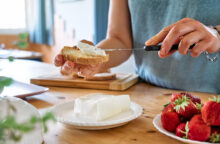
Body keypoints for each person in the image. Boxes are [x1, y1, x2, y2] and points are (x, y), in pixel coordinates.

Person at [54, 0, 220, 94]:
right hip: (146, 94)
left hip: (211, 100)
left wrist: (216, 34)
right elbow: (119, 38)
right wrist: (96, 59)